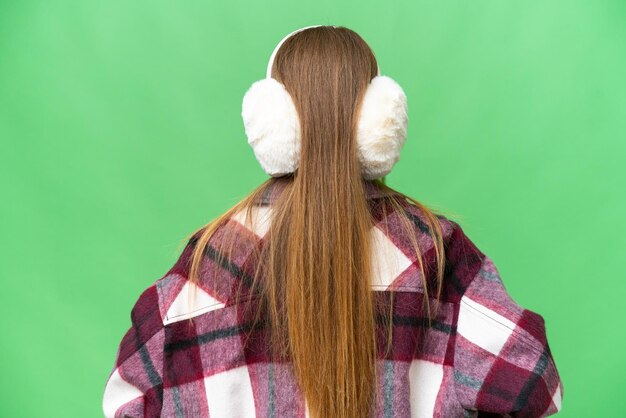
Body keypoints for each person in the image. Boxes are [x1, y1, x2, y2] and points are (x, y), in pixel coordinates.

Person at [102, 25, 564, 418]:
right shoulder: (434, 252)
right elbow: (535, 383)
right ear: (380, 121)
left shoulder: (212, 259)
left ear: (273, 123)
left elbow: (128, 398)